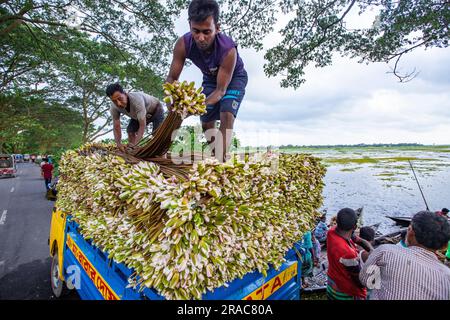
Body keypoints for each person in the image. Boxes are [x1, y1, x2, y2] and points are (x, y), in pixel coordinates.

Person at [165, 0, 248, 162]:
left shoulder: (228, 50)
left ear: (217, 28)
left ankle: (220, 161)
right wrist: (172, 102)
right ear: (189, 25)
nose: (200, 38)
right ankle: (218, 154)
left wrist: (193, 107)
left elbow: (220, 91)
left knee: (226, 113)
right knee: (206, 123)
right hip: (210, 78)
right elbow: (172, 79)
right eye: (195, 31)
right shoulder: (183, 44)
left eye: (206, 32)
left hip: (233, 79)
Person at [360, 211, 450, 300]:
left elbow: (366, 281)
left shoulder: (385, 251)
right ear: (444, 246)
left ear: (410, 232)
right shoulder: (447, 276)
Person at [326, 208, 373, 300]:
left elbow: (359, 240)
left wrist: (371, 250)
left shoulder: (331, 232)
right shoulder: (349, 254)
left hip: (332, 283)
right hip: (345, 292)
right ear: (355, 227)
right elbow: (359, 281)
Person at [106, 83, 165, 152]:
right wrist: (118, 144)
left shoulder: (137, 100)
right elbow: (116, 126)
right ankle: (133, 152)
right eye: (114, 101)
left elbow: (142, 125)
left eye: (120, 99)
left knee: (156, 135)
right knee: (130, 131)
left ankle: (161, 154)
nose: (118, 103)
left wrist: (135, 144)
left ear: (125, 94)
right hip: (139, 115)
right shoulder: (114, 107)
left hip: (156, 110)